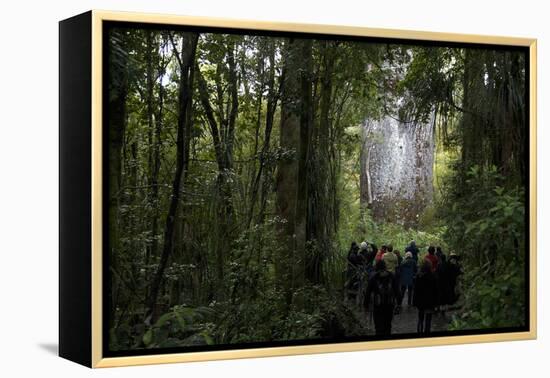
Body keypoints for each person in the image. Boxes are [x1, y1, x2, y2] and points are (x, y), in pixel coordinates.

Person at [365, 260, 400, 336]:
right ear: (385, 266)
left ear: (376, 267)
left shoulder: (373, 277)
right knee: (387, 325)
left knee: (378, 326)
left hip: (378, 305)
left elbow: (368, 292)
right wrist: (399, 304)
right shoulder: (391, 276)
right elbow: (397, 291)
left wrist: (366, 305)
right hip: (389, 305)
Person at [413, 259, 438, 334]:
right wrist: (436, 302)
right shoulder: (433, 276)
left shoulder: (419, 276)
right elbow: (436, 290)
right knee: (428, 319)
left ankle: (419, 332)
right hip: (430, 302)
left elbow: (416, 290)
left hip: (420, 302)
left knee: (420, 318)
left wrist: (415, 301)